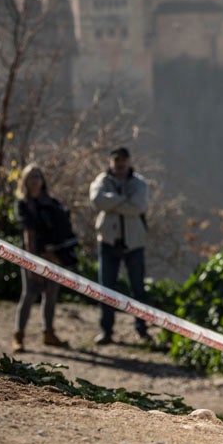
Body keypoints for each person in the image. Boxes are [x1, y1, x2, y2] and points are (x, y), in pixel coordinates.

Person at [11, 163, 75, 352]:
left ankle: (49, 332)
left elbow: (62, 229)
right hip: (32, 255)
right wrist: (33, 262)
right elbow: (28, 234)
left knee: (51, 293)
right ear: (25, 181)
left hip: (52, 255)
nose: (34, 181)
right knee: (29, 294)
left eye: (37, 177)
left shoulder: (52, 203)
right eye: (30, 177)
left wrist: (57, 255)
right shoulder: (22, 204)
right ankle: (19, 336)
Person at [89, 146, 150, 345]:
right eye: (116, 160)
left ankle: (141, 328)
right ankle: (106, 330)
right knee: (106, 288)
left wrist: (113, 202)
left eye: (123, 160)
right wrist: (125, 201)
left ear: (129, 161)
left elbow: (139, 206)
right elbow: (97, 201)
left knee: (138, 288)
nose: (120, 164)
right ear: (110, 162)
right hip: (108, 242)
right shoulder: (102, 181)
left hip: (134, 243)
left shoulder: (139, 183)